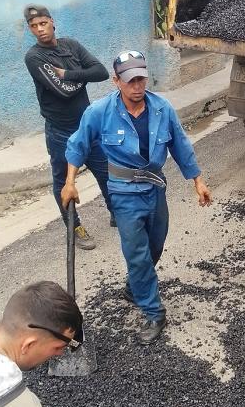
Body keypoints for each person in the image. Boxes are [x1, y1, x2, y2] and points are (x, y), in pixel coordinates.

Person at [62, 50, 213, 345]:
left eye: (141, 78)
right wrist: (69, 182)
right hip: (123, 193)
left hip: (155, 189)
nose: (137, 86)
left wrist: (198, 182)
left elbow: (181, 146)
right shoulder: (99, 112)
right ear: (117, 81)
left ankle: (134, 286)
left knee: (155, 244)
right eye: (130, 80)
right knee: (138, 254)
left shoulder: (161, 109)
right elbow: (77, 145)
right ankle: (154, 311)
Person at [23, 5, 113, 249]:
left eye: (43, 23)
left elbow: (102, 72)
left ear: (52, 22)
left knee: (106, 173)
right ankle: (75, 228)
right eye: (34, 26)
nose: (40, 29)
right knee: (64, 182)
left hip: (87, 126)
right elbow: (63, 92)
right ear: (30, 29)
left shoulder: (71, 45)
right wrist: (82, 75)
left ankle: (117, 213)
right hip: (60, 131)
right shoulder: (34, 57)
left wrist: (68, 73)